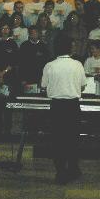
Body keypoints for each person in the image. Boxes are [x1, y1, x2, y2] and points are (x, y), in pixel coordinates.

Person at [40, 34, 86, 184]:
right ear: (69, 47)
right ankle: (72, 168)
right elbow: (83, 86)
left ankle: (60, 172)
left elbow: (43, 86)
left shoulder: (50, 65)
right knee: (72, 139)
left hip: (57, 106)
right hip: (73, 106)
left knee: (57, 140)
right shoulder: (77, 64)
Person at [0, 22, 19, 137]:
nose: (5, 30)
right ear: (0, 30)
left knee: (8, 105)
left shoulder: (13, 44)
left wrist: (4, 72)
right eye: (3, 28)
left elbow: (14, 61)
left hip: (9, 78)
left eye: (7, 28)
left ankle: (7, 130)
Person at [19, 26, 50, 93]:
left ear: (38, 33)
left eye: (36, 32)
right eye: (32, 33)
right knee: (29, 97)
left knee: (41, 97)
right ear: (29, 34)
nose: (34, 34)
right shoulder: (24, 46)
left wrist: (44, 78)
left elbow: (47, 64)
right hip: (28, 78)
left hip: (41, 78)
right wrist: (23, 79)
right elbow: (21, 64)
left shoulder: (43, 46)